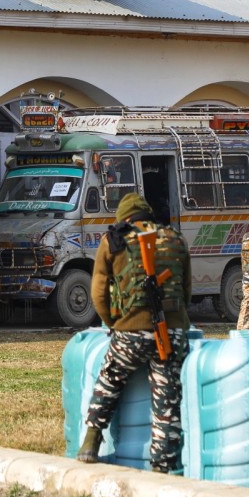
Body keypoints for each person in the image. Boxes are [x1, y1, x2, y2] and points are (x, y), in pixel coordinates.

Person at [77, 193, 191, 474]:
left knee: (110, 378)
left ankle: (91, 441)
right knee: (167, 403)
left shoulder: (113, 240)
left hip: (131, 332)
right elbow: (186, 289)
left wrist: (114, 324)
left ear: (124, 218)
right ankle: (163, 467)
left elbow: (99, 292)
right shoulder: (175, 237)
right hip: (172, 333)